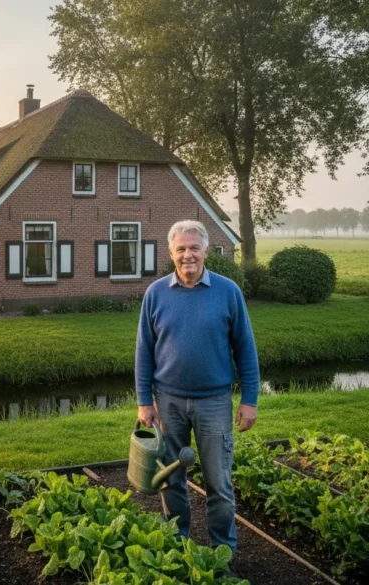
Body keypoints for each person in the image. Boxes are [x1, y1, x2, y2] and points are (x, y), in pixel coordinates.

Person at [135, 219, 259, 557]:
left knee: (218, 483)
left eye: (194, 248)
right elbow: (144, 350)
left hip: (215, 403)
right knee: (171, 479)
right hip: (169, 403)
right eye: (181, 249)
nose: (187, 255)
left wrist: (249, 400)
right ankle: (177, 546)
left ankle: (224, 552)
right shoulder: (156, 293)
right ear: (171, 253)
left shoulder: (228, 292)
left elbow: (246, 349)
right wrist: (145, 401)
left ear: (206, 250)